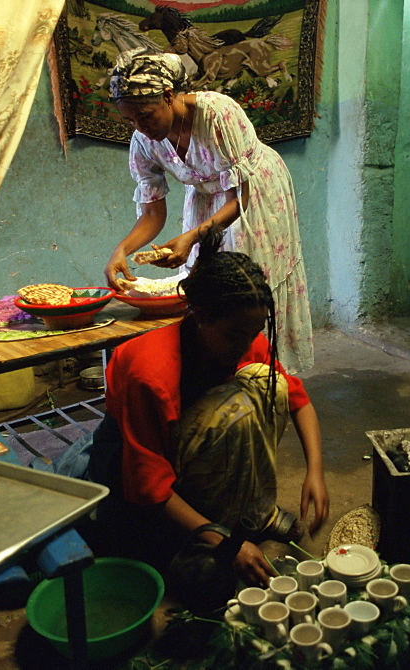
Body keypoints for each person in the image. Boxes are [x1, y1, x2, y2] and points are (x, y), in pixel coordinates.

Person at [90, 231, 329, 586]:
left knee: (267, 386)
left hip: (188, 449)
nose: (247, 344)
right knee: (207, 581)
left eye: (254, 333)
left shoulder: (242, 336)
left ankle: (253, 514)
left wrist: (316, 471)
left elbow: (297, 400)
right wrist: (224, 541)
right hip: (130, 464)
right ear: (200, 316)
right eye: (235, 336)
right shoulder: (150, 373)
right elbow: (148, 485)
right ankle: (213, 525)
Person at [104, 47, 314, 373]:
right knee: (208, 285)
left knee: (247, 282)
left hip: (253, 194)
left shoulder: (217, 114)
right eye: (130, 119)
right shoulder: (144, 142)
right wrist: (122, 250)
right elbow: (152, 214)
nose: (140, 126)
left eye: (145, 115)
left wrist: (192, 237)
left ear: (169, 95)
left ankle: (268, 373)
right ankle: (219, 372)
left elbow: (239, 200)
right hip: (206, 199)